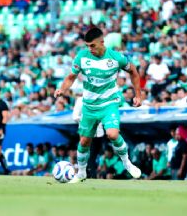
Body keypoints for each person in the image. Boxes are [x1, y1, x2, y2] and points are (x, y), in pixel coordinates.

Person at [54, 27, 142, 183]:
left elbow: (134, 72)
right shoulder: (82, 57)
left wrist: (138, 95)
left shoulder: (116, 58)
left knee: (112, 134)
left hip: (109, 103)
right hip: (89, 105)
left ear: (102, 42)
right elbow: (70, 77)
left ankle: (128, 164)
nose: (90, 49)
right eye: (87, 46)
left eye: (92, 46)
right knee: (84, 141)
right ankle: (81, 173)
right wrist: (62, 89)